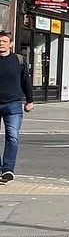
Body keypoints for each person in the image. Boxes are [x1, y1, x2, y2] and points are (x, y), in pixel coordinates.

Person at [0, 30, 34, 183]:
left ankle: (7, 169)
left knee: (12, 136)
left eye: (5, 41)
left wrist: (30, 100)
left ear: (11, 44)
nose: (1, 44)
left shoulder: (18, 60)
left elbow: (26, 81)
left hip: (13, 104)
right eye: (0, 41)